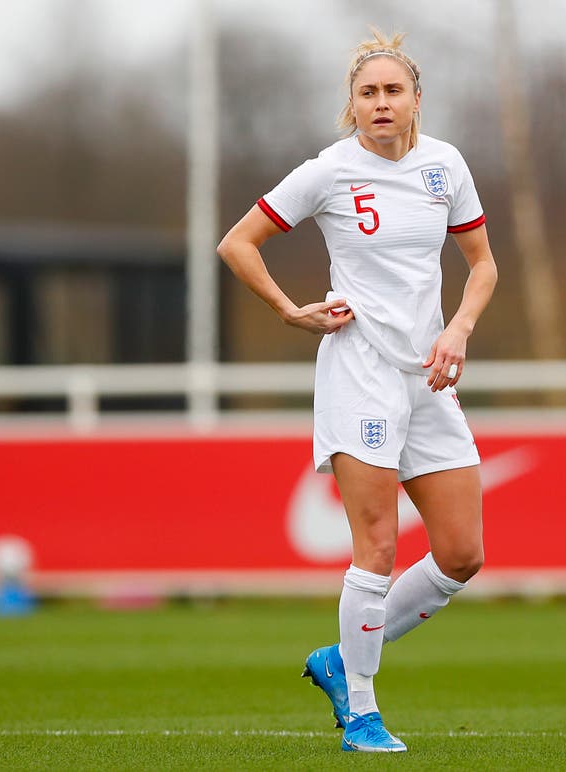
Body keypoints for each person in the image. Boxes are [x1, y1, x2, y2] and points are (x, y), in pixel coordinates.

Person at [216, 29, 497, 754]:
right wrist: (289, 309)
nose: (380, 102)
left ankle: (342, 659)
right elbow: (238, 243)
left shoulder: (445, 166)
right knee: (377, 546)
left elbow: (483, 265)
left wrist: (459, 328)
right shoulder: (330, 171)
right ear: (351, 104)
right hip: (359, 373)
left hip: (428, 375)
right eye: (367, 92)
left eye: (392, 90)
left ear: (416, 99)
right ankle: (362, 713)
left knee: (462, 553)